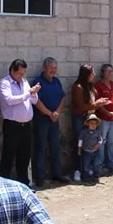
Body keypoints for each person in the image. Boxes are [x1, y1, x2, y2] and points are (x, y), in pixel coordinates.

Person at [0, 59, 40, 185]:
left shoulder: (25, 82)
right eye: (19, 74)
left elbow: (34, 101)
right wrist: (28, 94)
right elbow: (9, 100)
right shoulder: (4, 83)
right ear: (12, 71)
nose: (21, 76)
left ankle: (24, 184)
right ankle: (5, 184)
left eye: (23, 74)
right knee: (9, 156)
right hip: (12, 125)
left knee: (25, 156)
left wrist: (33, 94)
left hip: (26, 125)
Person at [31, 57, 69, 187]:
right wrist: (49, 113)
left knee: (55, 146)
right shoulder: (38, 82)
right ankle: (39, 176)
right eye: (51, 68)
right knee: (40, 147)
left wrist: (57, 112)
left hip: (54, 119)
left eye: (55, 68)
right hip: (41, 119)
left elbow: (63, 98)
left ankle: (56, 173)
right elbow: (36, 101)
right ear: (44, 68)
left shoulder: (57, 81)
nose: (53, 70)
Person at [71, 64, 108, 181]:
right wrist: (97, 104)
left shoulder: (90, 86)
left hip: (91, 118)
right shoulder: (78, 87)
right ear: (87, 74)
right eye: (92, 73)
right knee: (79, 143)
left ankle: (89, 168)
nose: (94, 75)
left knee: (91, 143)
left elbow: (92, 102)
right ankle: (77, 169)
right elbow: (81, 107)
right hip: (80, 118)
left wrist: (100, 103)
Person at [94, 63, 113, 175]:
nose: (110, 73)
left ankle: (111, 163)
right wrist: (108, 113)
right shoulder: (98, 85)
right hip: (103, 118)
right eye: (108, 71)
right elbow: (98, 104)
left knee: (112, 141)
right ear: (103, 73)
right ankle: (100, 164)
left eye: (112, 71)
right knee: (102, 141)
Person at [77, 113, 104, 181]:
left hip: (95, 152)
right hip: (86, 151)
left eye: (95, 124)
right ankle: (85, 177)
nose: (93, 125)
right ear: (87, 124)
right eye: (91, 123)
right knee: (85, 165)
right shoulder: (83, 132)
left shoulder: (98, 132)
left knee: (96, 164)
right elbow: (80, 141)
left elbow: (100, 140)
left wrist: (97, 145)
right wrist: (79, 149)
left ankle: (96, 176)